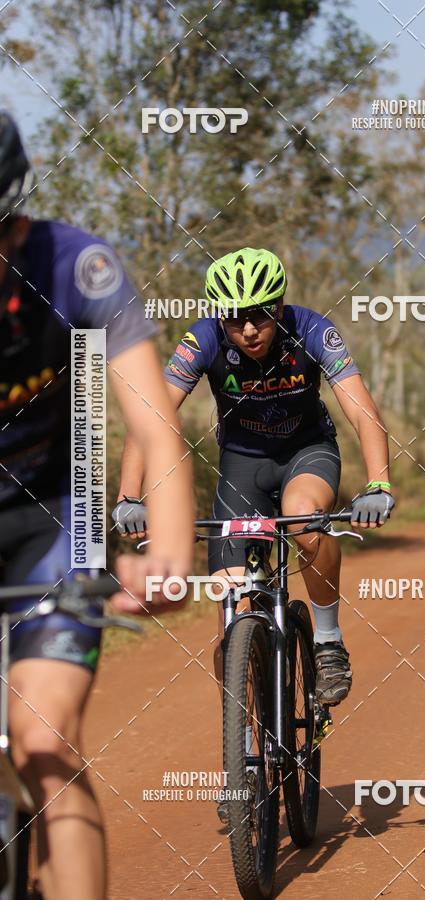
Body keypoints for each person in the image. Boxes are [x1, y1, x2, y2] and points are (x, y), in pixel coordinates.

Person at [0, 112, 194, 900]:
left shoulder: (78, 266)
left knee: (41, 739)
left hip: (53, 514)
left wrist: (169, 551)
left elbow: (153, 418)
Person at [113, 246, 395, 713]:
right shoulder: (202, 339)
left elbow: (362, 411)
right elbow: (150, 416)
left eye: (260, 317)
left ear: (280, 307)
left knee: (303, 519)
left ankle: (327, 642)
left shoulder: (312, 331)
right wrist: (128, 496)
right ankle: (244, 744)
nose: (248, 330)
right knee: (230, 604)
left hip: (307, 452)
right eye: (234, 319)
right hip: (243, 463)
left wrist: (379, 484)